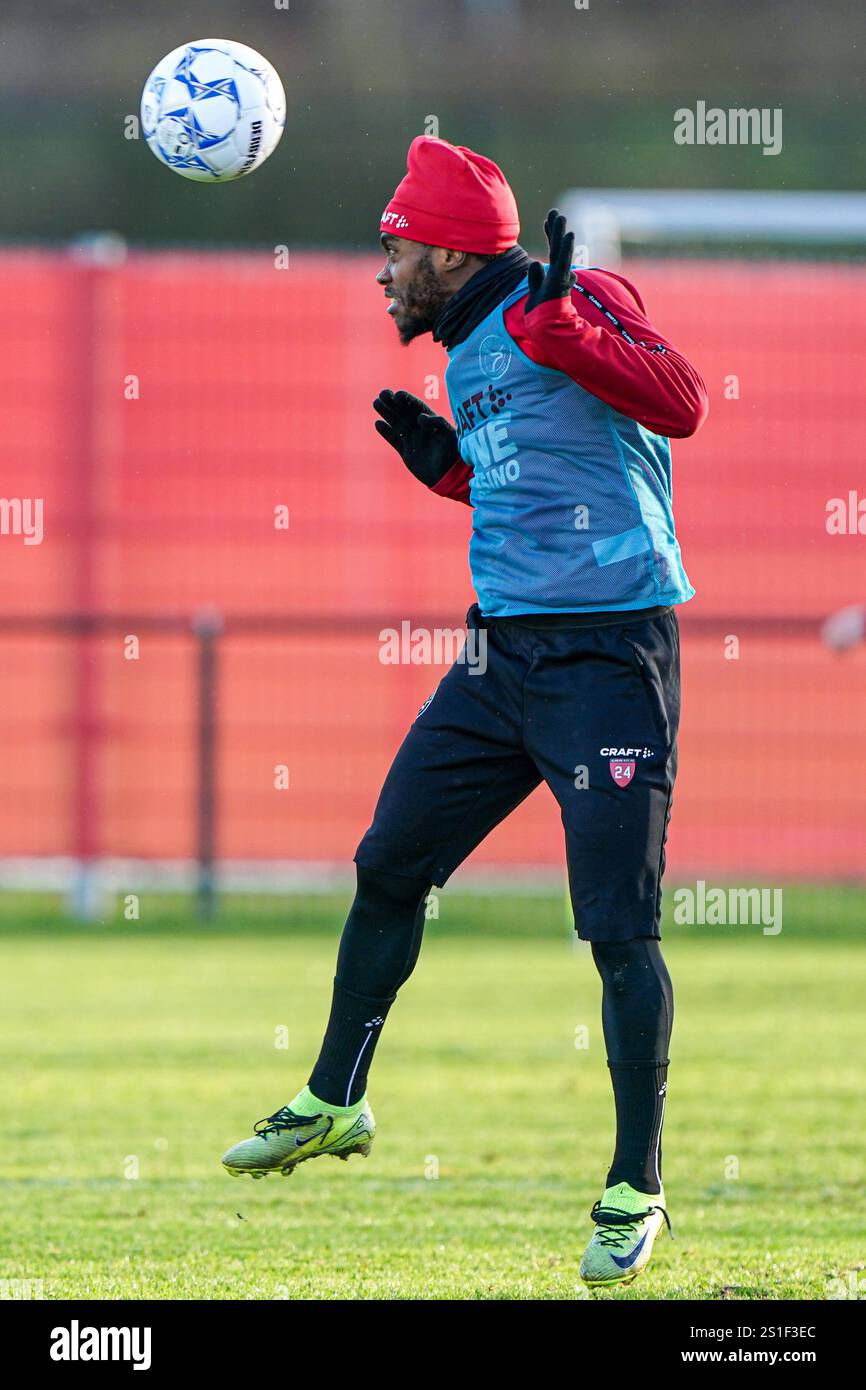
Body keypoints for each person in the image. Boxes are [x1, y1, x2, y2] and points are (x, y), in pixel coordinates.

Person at [222, 136, 709, 1289]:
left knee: (616, 932)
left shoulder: (565, 298)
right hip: (500, 663)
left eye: (393, 249)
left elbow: (681, 406)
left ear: (445, 249)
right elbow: (548, 484)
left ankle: (634, 1189)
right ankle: (334, 1097)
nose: (382, 272)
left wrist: (570, 329)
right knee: (388, 863)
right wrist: (452, 472)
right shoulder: (466, 343)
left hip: (609, 663)